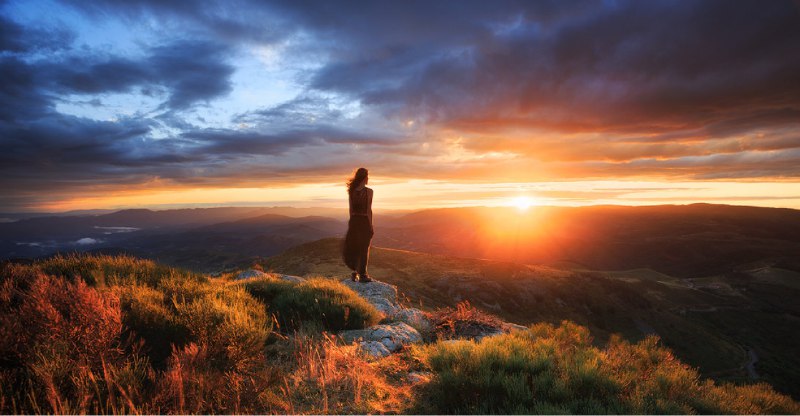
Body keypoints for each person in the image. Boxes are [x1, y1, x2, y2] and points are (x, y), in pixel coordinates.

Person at [343, 167, 374, 283]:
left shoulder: (351, 191)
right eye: (368, 177)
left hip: (354, 221)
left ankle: (355, 273)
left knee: (355, 248)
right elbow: (368, 211)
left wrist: (352, 224)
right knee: (364, 248)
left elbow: (350, 210)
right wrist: (371, 226)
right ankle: (363, 275)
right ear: (365, 178)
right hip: (364, 221)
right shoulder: (369, 192)